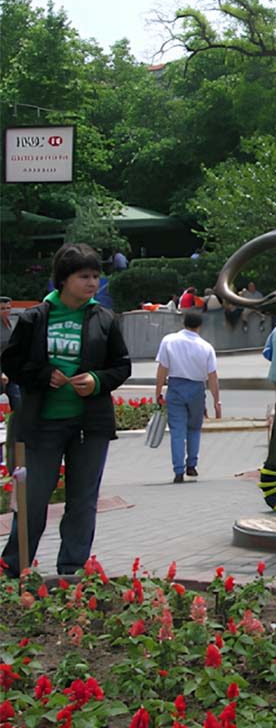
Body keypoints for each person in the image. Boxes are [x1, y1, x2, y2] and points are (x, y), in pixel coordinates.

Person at [0, 243, 131, 577]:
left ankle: (72, 569)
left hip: (90, 426)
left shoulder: (104, 318)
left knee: (83, 501)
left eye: (95, 276)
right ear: (63, 279)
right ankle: (14, 568)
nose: (91, 283)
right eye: (83, 276)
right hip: (41, 425)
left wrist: (98, 380)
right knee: (32, 500)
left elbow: (121, 365)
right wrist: (44, 376)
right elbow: (12, 363)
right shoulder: (35, 318)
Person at [154, 311, 221, 483]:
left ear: (184, 323)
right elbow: (212, 376)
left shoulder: (169, 340)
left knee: (177, 430)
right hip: (197, 389)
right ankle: (191, 465)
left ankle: (178, 470)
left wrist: (158, 391)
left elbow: (162, 368)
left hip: (175, 386)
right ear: (200, 326)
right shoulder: (206, 347)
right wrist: (216, 400)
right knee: (194, 428)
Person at [0, 296, 21, 417]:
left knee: (17, 400)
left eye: (8, 308)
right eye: (2, 308)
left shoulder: (10, 323)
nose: (6, 311)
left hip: (11, 369)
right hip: (2, 369)